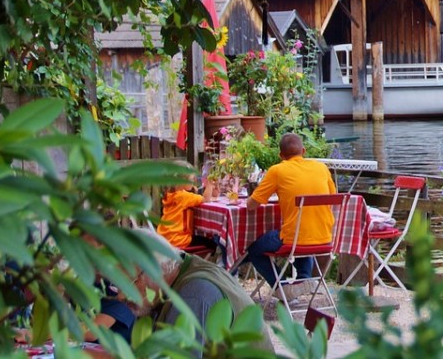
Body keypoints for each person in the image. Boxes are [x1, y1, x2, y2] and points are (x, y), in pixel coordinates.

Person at [135, 235, 275, 353]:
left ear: (156, 270)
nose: (121, 295)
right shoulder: (184, 267)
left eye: (131, 282)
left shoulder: (193, 295)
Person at [241, 132, 336, 288]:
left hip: (294, 239)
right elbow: (333, 197)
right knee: (299, 233)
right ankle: (303, 280)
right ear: (303, 151)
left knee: (254, 250)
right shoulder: (321, 168)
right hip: (325, 236)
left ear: (280, 155)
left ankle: (282, 286)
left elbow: (252, 205)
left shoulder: (278, 171)